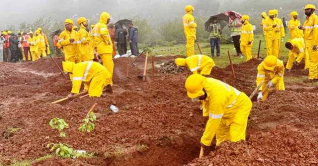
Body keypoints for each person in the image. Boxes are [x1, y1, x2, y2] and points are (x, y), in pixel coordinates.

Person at [185, 74, 252, 148]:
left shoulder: (217, 98)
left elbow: (214, 120)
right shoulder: (206, 85)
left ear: (202, 90)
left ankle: (238, 156)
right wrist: (206, 115)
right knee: (221, 138)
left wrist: (206, 140)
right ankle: (221, 156)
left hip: (240, 107)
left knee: (236, 139)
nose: (199, 99)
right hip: (225, 109)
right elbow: (206, 101)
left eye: (198, 96)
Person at [93, 12, 114, 91]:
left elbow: (92, 37)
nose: (109, 20)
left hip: (101, 49)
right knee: (108, 67)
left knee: (106, 66)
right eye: (108, 19)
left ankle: (105, 83)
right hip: (105, 49)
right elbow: (104, 34)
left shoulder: (96, 26)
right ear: (105, 18)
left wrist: (95, 48)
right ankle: (107, 84)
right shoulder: (102, 25)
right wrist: (107, 42)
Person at [299, 4, 318, 83]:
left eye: (308, 9)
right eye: (305, 10)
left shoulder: (315, 18)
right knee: (313, 59)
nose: (306, 11)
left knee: (313, 60)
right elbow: (308, 30)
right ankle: (315, 76)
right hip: (308, 42)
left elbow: (316, 32)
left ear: (313, 10)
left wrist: (315, 44)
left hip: (313, 42)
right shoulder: (307, 19)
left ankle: (311, 78)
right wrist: (302, 28)